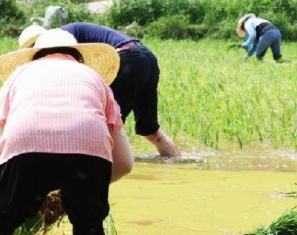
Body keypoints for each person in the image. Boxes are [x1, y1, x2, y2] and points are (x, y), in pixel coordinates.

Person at [0, 29, 133, 235]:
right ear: (79, 57)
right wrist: (76, 191)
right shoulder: (94, 78)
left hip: (26, 145)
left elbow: (5, 150)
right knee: (90, 226)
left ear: (35, 57)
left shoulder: (18, 75)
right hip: (88, 151)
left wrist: (16, 192)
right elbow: (124, 164)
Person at [27, 21, 182, 158]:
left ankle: (93, 170)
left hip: (128, 59)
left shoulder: (63, 40)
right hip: (146, 57)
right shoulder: (68, 35)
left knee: (104, 125)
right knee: (150, 129)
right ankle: (177, 161)